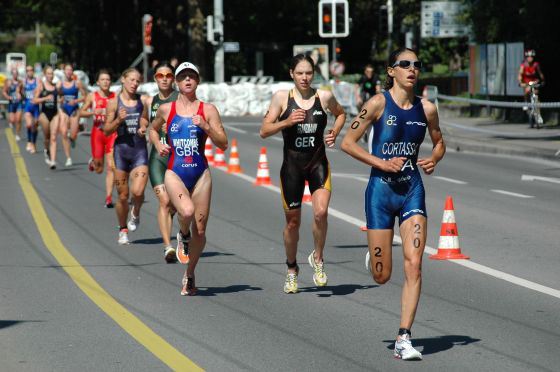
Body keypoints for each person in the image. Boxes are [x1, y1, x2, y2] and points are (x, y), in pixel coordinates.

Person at [341, 48, 445, 360]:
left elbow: (439, 142)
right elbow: (348, 142)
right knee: (382, 275)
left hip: (412, 189)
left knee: (414, 264)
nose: (412, 69)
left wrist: (434, 159)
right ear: (391, 71)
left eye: (417, 65)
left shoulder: (426, 109)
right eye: (405, 64)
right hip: (380, 193)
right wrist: (381, 163)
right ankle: (375, 256)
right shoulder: (376, 103)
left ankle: (403, 337)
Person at [260, 54, 346, 294]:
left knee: (320, 213)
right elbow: (264, 131)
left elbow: (341, 114)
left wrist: (334, 132)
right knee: (293, 223)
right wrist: (286, 122)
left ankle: (318, 259)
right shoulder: (281, 98)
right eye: (300, 73)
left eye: (308, 73)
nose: (305, 77)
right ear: (292, 74)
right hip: (292, 168)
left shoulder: (324, 97)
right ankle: (291, 269)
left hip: (318, 164)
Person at [150, 61, 228, 296]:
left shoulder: (208, 109)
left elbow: (223, 144)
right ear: (177, 81)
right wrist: (158, 144)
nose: (187, 80)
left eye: (191, 76)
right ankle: (183, 234)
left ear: (197, 81)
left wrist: (205, 126)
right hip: (175, 171)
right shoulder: (167, 109)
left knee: (201, 231)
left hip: (200, 173)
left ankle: (190, 275)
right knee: (185, 212)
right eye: (183, 76)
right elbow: (152, 129)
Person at [104, 68, 149, 245]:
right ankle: (122, 229)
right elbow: (106, 130)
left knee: (138, 192)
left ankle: (136, 211)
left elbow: (145, 119)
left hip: (139, 151)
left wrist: (143, 127)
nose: (134, 84)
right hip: (121, 152)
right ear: (123, 80)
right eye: (131, 80)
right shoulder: (114, 103)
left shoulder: (142, 101)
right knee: (123, 196)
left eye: (137, 81)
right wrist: (118, 121)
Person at [145, 61, 179, 263]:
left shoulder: (181, 98)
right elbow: (146, 121)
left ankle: (182, 234)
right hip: (158, 157)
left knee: (177, 205)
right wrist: (145, 128)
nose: (164, 78)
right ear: (155, 78)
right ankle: (168, 247)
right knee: (165, 201)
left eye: (168, 75)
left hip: (178, 158)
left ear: (173, 78)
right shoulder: (151, 100)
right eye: (160, 75)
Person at [79, 69, 117, 207]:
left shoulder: (115, 96)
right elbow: (81, 112)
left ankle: (108, 198)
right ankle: (94, 163)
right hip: (98, 133)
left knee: (111, 167)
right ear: (97, 82)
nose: (106, 82)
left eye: (108, 79)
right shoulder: (92, 96)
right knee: (99, 169)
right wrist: (92, 112)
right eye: (103, 79)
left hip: (112, 134)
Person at [57, 63, 87, 166]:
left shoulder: (77, 83)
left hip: (74, 109)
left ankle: (73, 139)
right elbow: (56, 95)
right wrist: (59, 98)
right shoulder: (60, 84)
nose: (69, 72)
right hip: (64, 109)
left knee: (73, 134)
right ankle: (68, 158)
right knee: (64, 132)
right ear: (64, 71)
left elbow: (84, 97)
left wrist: (76, 101)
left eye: (71, 70)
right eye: (67, 70)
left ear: (72, 72)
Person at [33, 65, 59, 168]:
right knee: (47, 137)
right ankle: (46, 149)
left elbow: (60, 96)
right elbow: (34, 100)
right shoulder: (41, 86)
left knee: (53, 137)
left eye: (52, 73)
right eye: (48, 73)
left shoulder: (56, 86)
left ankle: (53, 161)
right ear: (45, 75)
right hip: (44, 114)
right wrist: (45, 98)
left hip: (55, 114)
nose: (50, 75)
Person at [518, 49, 545, 125]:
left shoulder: (536, 64)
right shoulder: (523, 65)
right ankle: (526, 102)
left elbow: (540, 74)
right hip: (526, 83)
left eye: (532, 57)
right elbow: (520, 74)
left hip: (534, 82)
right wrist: (520, 82)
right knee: (527, 90)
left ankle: (539, 115)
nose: (530, 58)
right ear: (526, 58)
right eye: (528, 57)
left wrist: (542, 80)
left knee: (536, 94)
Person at [23, 66, 40, 153]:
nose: (30, 72)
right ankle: (29, 141)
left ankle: (34, 143)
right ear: (26, 72)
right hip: (27, 106)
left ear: (33, 71)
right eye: (28, 70)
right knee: (29, 125)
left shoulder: (37, 81)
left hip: (36, 107)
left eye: (31, 70)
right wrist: (20, 95)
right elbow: (19, 90)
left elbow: (41, 89)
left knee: (35, 127)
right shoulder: (23, 81)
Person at [2, 67, 23, 141]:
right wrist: (8, 97)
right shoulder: (8, 82)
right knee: (12, 119)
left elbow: (24, 92)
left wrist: (21, 94)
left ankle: (17, 134)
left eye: (16, 73)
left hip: (19, 103)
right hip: (12, 103)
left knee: (18, 120)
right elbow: (4, 91)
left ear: (18, 74)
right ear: (12, 74)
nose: (15, 75)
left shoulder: (20, 82)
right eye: (14, 73)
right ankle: (12, 123)